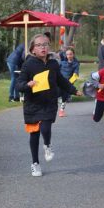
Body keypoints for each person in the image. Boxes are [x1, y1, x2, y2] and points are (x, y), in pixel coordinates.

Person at [17, 34, 82, 177]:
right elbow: (19, 84)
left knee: (45, 127)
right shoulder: (28, 64)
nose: (43, 47)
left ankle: (47, 144)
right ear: (33, 49)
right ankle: (35, 164)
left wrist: (73, 90)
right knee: (34, 134)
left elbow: (61, 80)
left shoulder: (53, 64)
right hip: (33, 104)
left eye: (46, 44)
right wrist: (28, 84)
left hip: (48, 103)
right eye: (39, 45)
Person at [58, 47, 80, 117]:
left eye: (70, 54)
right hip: (59, 81)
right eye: (67, 54)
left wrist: (70, 83)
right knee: (55, 94)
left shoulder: (76, 64)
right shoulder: (62, 62)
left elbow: (76, 74)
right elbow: (57, 70)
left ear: (73, 54)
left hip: (68, 82)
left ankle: (61, 110)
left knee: (65, 96)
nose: (69, 56)